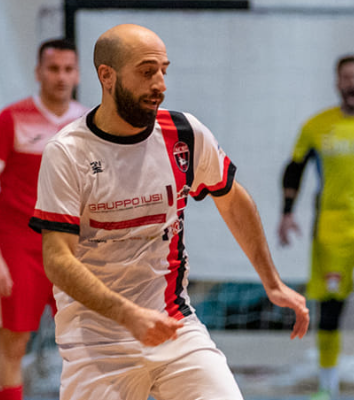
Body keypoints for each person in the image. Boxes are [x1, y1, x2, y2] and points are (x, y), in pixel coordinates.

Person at [28, 24, 309, 400]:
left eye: (163, 70)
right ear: (107, 76)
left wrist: (271, 281)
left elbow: (231, 198)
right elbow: (57, 259)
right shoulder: (67, 152)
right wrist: (129, 315)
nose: (159, 84)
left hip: (174, 326)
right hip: (97, 339)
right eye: (147, 72)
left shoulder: (184, 134)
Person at [0, 38, 88, 400]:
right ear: (38, 72)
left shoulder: (89, 124)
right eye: (53, 69)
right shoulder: (11, 119)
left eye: (68, 69)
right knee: (14, 342)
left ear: (78, 74)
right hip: (18, 247)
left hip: (71, 248)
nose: (61, 77)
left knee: (86, 345)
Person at [278, 54, 354, 400]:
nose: (353, 83)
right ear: (338, 83)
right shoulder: (316, 127)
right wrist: (287, 213)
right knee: (331, 308)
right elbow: (294, 169)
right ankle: (326, 386)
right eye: (347, 77)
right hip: (332, 230)